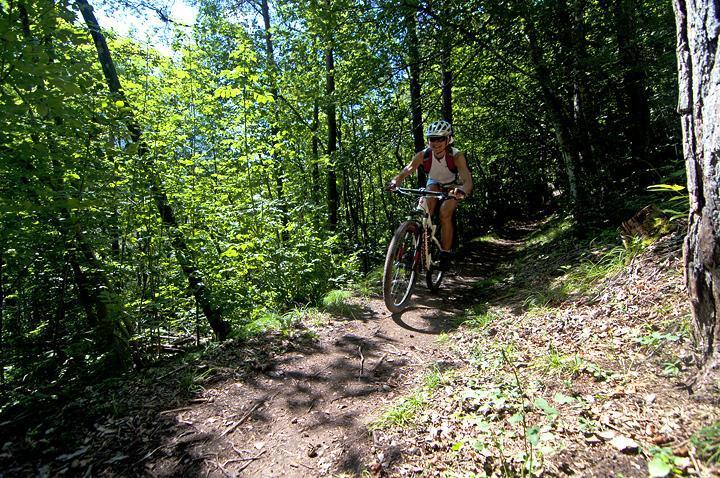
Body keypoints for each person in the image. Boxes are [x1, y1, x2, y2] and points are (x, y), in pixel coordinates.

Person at [388, 120, 473, 270]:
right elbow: (408, 169)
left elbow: (467, 181)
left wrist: (462, 191)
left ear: (448, 139)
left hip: (452, 186)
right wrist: (395, 181)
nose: (436, 142)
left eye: (440, 138)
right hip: (434, 183)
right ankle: (416, 246)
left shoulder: (456, 156)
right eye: (432, 138)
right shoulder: (424, 155)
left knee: (445, 213)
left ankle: (445, 254)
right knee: (424, 208)